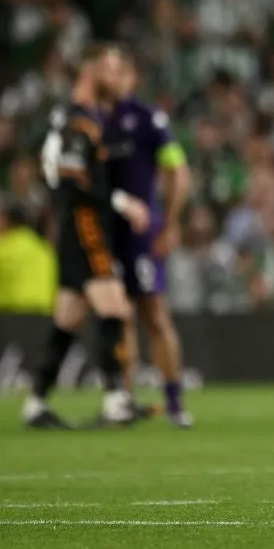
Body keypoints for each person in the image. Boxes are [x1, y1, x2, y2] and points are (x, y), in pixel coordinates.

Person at [22, 45, 151, 429]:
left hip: (77, 222)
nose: (118, 77)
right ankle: (115, 399)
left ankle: (36, 402)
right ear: (91, 72)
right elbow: (69, 178)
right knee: (114, 308)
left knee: (69, 317)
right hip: (85, 221)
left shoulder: (78, 115)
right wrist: (122, 202)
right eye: (111, 69)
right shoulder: (80, 119)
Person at [101, 51, 194, 428]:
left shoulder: (146, 119)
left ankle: (173, 400)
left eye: (122, 70)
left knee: (153, 312)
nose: (115, 77)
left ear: (131, 77)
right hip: (103, 231)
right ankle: (124, 400)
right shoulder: (92, 120)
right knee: (116, 314)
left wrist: (170, 222)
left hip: (140, 234)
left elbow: (177, 170)